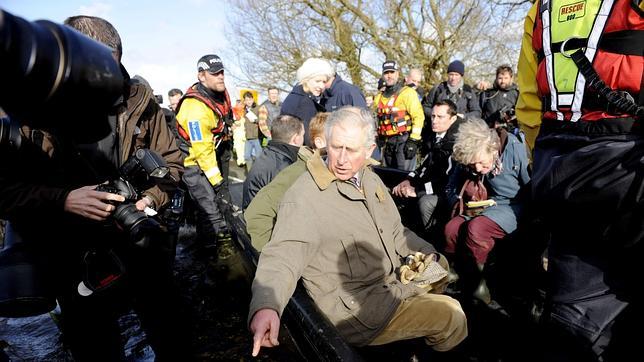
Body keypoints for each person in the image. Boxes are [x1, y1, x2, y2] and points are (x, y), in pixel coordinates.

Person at [0, 15, 189, 361]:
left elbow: (173, 164)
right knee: (95, 346)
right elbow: (6, 192)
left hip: (140, 241)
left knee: (172, 333)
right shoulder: (31, 109)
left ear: (117, 55)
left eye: (105, 66)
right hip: (73, 256)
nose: (98, 79)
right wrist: (64, 200)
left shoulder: (140, 101)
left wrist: (150, 198)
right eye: (87, 67)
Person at [248, 107, 467, 356]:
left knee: (440, 271)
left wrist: (430, 255)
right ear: (325, 143)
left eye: (351, 150)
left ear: (369, 148)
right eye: (335, 147)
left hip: (390, 286)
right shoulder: (305, 197)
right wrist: (267, 307)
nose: (341, 159)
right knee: (451, 315)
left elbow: (396, 232)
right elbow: (283, 255)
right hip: (359, 312)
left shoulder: (369, 179)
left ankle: (412, 346)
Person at [517, 1, 643, 360]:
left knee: (578, 319)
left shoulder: (541, 9)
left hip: (559, 175)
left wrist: (545, 164)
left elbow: (528, 105)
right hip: (629, 176)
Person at [443, 119, 530, 305]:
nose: (477, 168)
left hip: (513, 205)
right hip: (484, 205)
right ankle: (457, 272)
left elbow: (530, 185)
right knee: (452, 228)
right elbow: (452, 185)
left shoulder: (514, 150)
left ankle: (479, 283)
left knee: (477, 228)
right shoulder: (473, 157)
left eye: (481, 163)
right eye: (472, 165)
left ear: (492, 148)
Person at [244, 112, 329, 252]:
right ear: (296, 139)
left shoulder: (271, 155)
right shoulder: (287, 165)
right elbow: (262, 215)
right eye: (303, 135)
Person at [175, 54, 234, 244]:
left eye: (222, 72)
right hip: (193, 161)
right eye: (215, 73)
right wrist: (219, 184)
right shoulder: (194, 109)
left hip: (212, 155)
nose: (221, 77)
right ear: (201, 76)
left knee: (218, 204)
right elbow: (202, 152)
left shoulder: (220, 95)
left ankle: (205, 241)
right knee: (210, 209)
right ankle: (216, 252)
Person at [392, 100, 463, 239]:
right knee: (395, 186)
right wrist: (409, 180)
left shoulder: (456, 143)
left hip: (449, 191)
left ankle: (433, 242)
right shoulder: (434, 136)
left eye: (440, 117)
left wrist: (417, 190)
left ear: (453, 119)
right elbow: (425, 166)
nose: (435, 121)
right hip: (432, 185)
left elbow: (446, 180)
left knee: (425, 202)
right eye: (433, 116)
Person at [242, 114, 305, 209]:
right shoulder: (284, 166)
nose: (304, 139)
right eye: (302, 135)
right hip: (262, 220)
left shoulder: (270, 153)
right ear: (296, 138)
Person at [374, 60, 425, 171]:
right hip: (387, 144)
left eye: (392, 72)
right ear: (383, 75)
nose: (389, 76)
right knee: (387, 177)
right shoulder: (378, 97)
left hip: (404, 142)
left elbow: (418, 116)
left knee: (403, 178)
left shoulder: (407, 93)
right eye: (386, 73)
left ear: (397, 74)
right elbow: (376, 120)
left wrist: (414, 140)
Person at [281, 57, 334, 146]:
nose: (321, 86)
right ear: (306, 79)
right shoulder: (303, 102)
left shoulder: (300, 96)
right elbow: (308, 139)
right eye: (317, 81)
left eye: (324, 82)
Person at [241, 91, 262, 172]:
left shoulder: (258, 108)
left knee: (258, 157)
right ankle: (250, 173)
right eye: (246, 100)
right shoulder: (244, 110)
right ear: (245, 101)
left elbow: (263, 120)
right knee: (246, 156)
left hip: (256, 136)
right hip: (248, 137)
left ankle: (258, 173)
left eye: (250, 99)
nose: (248, 101)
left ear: (253, 99)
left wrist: (256, 120)